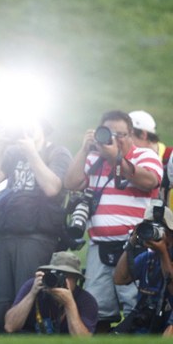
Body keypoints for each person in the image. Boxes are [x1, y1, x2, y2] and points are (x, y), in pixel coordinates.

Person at [64, 110, 163, 332]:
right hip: (99, 245)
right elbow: (70, 182)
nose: (116, 139)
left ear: (130, 135)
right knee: (96, 308)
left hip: (135, 246)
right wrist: (83, 148)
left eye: (122, 134)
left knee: (135, 305)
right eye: (110, 133)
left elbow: (149, 181)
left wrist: (115, 158)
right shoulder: (93, 158)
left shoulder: (145, 155)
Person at [0, 118, 72, 333]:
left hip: (37, 236)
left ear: (43, 128)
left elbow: (52, 188)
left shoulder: (57, 153)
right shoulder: (12, 153)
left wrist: (32, 153)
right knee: (1, 302)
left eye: (30, 124)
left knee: (30, 295)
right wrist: (2, 144)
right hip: (5, 235)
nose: (24, 128)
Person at [4, 251, 98, 335]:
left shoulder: (87, 300)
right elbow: (10, 327)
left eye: (66, 276)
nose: (59, 279)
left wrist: (69, 303)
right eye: (56, 274)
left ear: (76, 279)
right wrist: (32, 293)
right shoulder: (34, 286)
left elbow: (82, 341)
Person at [114, 204, 173, 334]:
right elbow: (119, 279)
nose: (153, 233)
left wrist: (163, 252)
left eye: (161, 229)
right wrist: (131, 243)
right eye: (149, 227)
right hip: (147, 318)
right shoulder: (147, 257)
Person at [129, 110, 173, 203]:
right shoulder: (126, 158)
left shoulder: (170, 156)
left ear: (143, 134)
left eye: (128, 135)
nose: (123, 140)